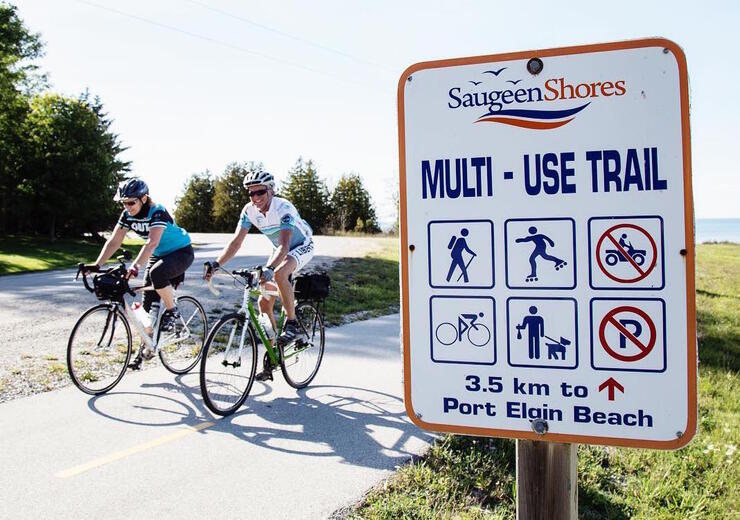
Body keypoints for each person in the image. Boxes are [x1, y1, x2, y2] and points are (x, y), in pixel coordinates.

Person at [204, 170, 314, 380]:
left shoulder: (284, 208)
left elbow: (284, 245)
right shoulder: (249, 211)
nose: (255, 198)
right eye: (251, 194)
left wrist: (270, 269)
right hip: (279, 249)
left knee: (280, 274)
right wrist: (217, 264)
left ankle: (292, 324)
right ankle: (273, 358)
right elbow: (236, 242)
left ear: (271, 190)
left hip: (300, 245)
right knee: (264, 303)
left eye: (260, 192)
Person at [84, 178, 194, 369]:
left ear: (143, 198)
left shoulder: (157, 210)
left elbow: (151, 242)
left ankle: (172, 311)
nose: (127, 207)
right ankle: (145, 350)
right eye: (124, 203)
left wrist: (135, 266)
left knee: (157, 273)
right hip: (158, 254)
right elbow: (114, 241)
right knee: (147, 307)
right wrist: (97, 264)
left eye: (131, 202)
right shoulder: (127, 215)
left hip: (180, 252)